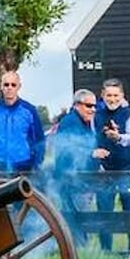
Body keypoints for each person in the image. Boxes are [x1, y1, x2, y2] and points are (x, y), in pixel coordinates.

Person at [93, 78, 130, 252]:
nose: (112, 99)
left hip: (127, 169)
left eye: (115, 95)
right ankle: (106, 252)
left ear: (121, 96)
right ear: (102, 96)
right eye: (108, 95)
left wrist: (119, 138)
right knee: (105, 213)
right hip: (105, 171)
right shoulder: (97, 115)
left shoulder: (129, 114)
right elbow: (92, 138)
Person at [51, 89, 99, 245]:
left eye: (94, 106)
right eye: (89, 105)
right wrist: (92, 153)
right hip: (73, 180)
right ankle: (81, 251)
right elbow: (70, 148)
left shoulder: (81, 122)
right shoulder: (72, 122)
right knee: (78, 219)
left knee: (76, 218)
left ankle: (79, 250)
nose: (93, 109)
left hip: (76, 179)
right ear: (77, 105)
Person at [0, 70, 46, 172]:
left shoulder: (29, 111)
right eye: (6, 84)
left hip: (23, 166)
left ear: (19, 86)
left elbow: (39, 140)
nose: (9, 88)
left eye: (13, 85)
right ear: (1, 86)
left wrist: (36, 165)